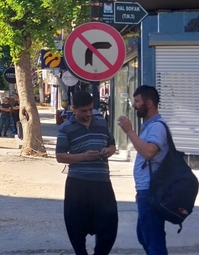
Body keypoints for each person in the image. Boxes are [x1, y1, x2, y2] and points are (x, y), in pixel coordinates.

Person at [56, 91, 118, 255]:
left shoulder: (101, 123)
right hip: (78, 183)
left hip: (102, 183)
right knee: (75, 225)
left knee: (109, 224)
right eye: (84, 111)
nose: (88, 114)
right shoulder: (65, 128)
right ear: (74, 109)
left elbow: (112, 145)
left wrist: (108, 151)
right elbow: (60, 156)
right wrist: (83, 156)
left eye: (90, 109)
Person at [117, 85, 169, 254]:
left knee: (153, 240)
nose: (133, 105)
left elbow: (148, 152)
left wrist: (129, 131)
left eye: (137, 101)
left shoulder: (157, 127)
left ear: (149, 103)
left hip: (152, 191)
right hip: (145, 191)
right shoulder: (149, 126)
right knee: (145, 235)